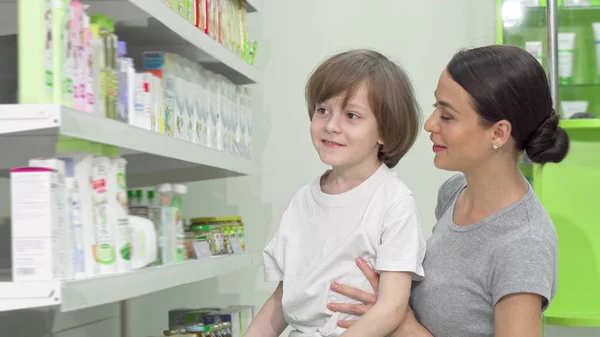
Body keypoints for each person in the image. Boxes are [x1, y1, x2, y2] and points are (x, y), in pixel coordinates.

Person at [326, 44, 568, 337]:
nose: (430, 124)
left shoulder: (522, 245)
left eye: (447, 116)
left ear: (499, 133)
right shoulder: (454, 193)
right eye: (435, 108)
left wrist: (403, 323)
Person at [243, 49, 427, 337]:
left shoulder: (394, 202)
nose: (331, 125)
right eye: (322, 110)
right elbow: (285, 297)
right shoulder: (303, 200)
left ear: (385, 132)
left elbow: (391, 308)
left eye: (352, 115)